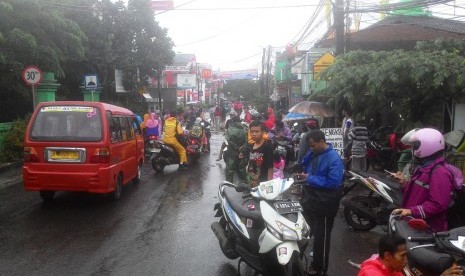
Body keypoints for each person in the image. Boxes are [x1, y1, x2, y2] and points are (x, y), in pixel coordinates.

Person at [298, 130, 344, 275]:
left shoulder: (334, 158)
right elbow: (305, 166)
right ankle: (296, 257)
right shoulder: (314, 153)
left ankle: (319, 267)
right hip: (309, 199)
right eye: (309, 146)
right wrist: (305, 161)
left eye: (312, 146)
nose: (311, 148)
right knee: (302, 230)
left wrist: (309, 178)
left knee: (321, 237)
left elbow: (333, 182)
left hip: (325, 203)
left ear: (321, 142)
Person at [392, 128, 454, 232]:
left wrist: (411, 211)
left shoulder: (439, 172)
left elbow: (438, 204)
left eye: (414, 146)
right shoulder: (424, 168)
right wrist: (404, 183)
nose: (412, 150)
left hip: (429, 229)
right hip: (416, 225)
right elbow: (417, 192)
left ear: (425, 146)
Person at [359, 235, 464, 276]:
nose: (405, 260)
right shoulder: (372, 273)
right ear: (387, 256)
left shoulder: (394, 269)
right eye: (402, 255)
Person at [246, 120, 274, 187]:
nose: (254, 134)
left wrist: (269, 184)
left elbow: (270, 167)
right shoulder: (251, 146)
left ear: (263, 132)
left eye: (257, 131)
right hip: (251, 182)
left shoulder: (267, 147)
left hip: (262, 184)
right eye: (252, 131)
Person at [224, 116, 248, 183]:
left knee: (230, 170)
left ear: (233, 121)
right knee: (241, 169)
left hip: (232, 153)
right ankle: (244, 187)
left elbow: (228, 141)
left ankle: (229, 186)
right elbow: (247, 142)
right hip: (242, 153)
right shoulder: (244, 130)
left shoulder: (230, 129)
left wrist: (236, 147)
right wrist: (241, 149)